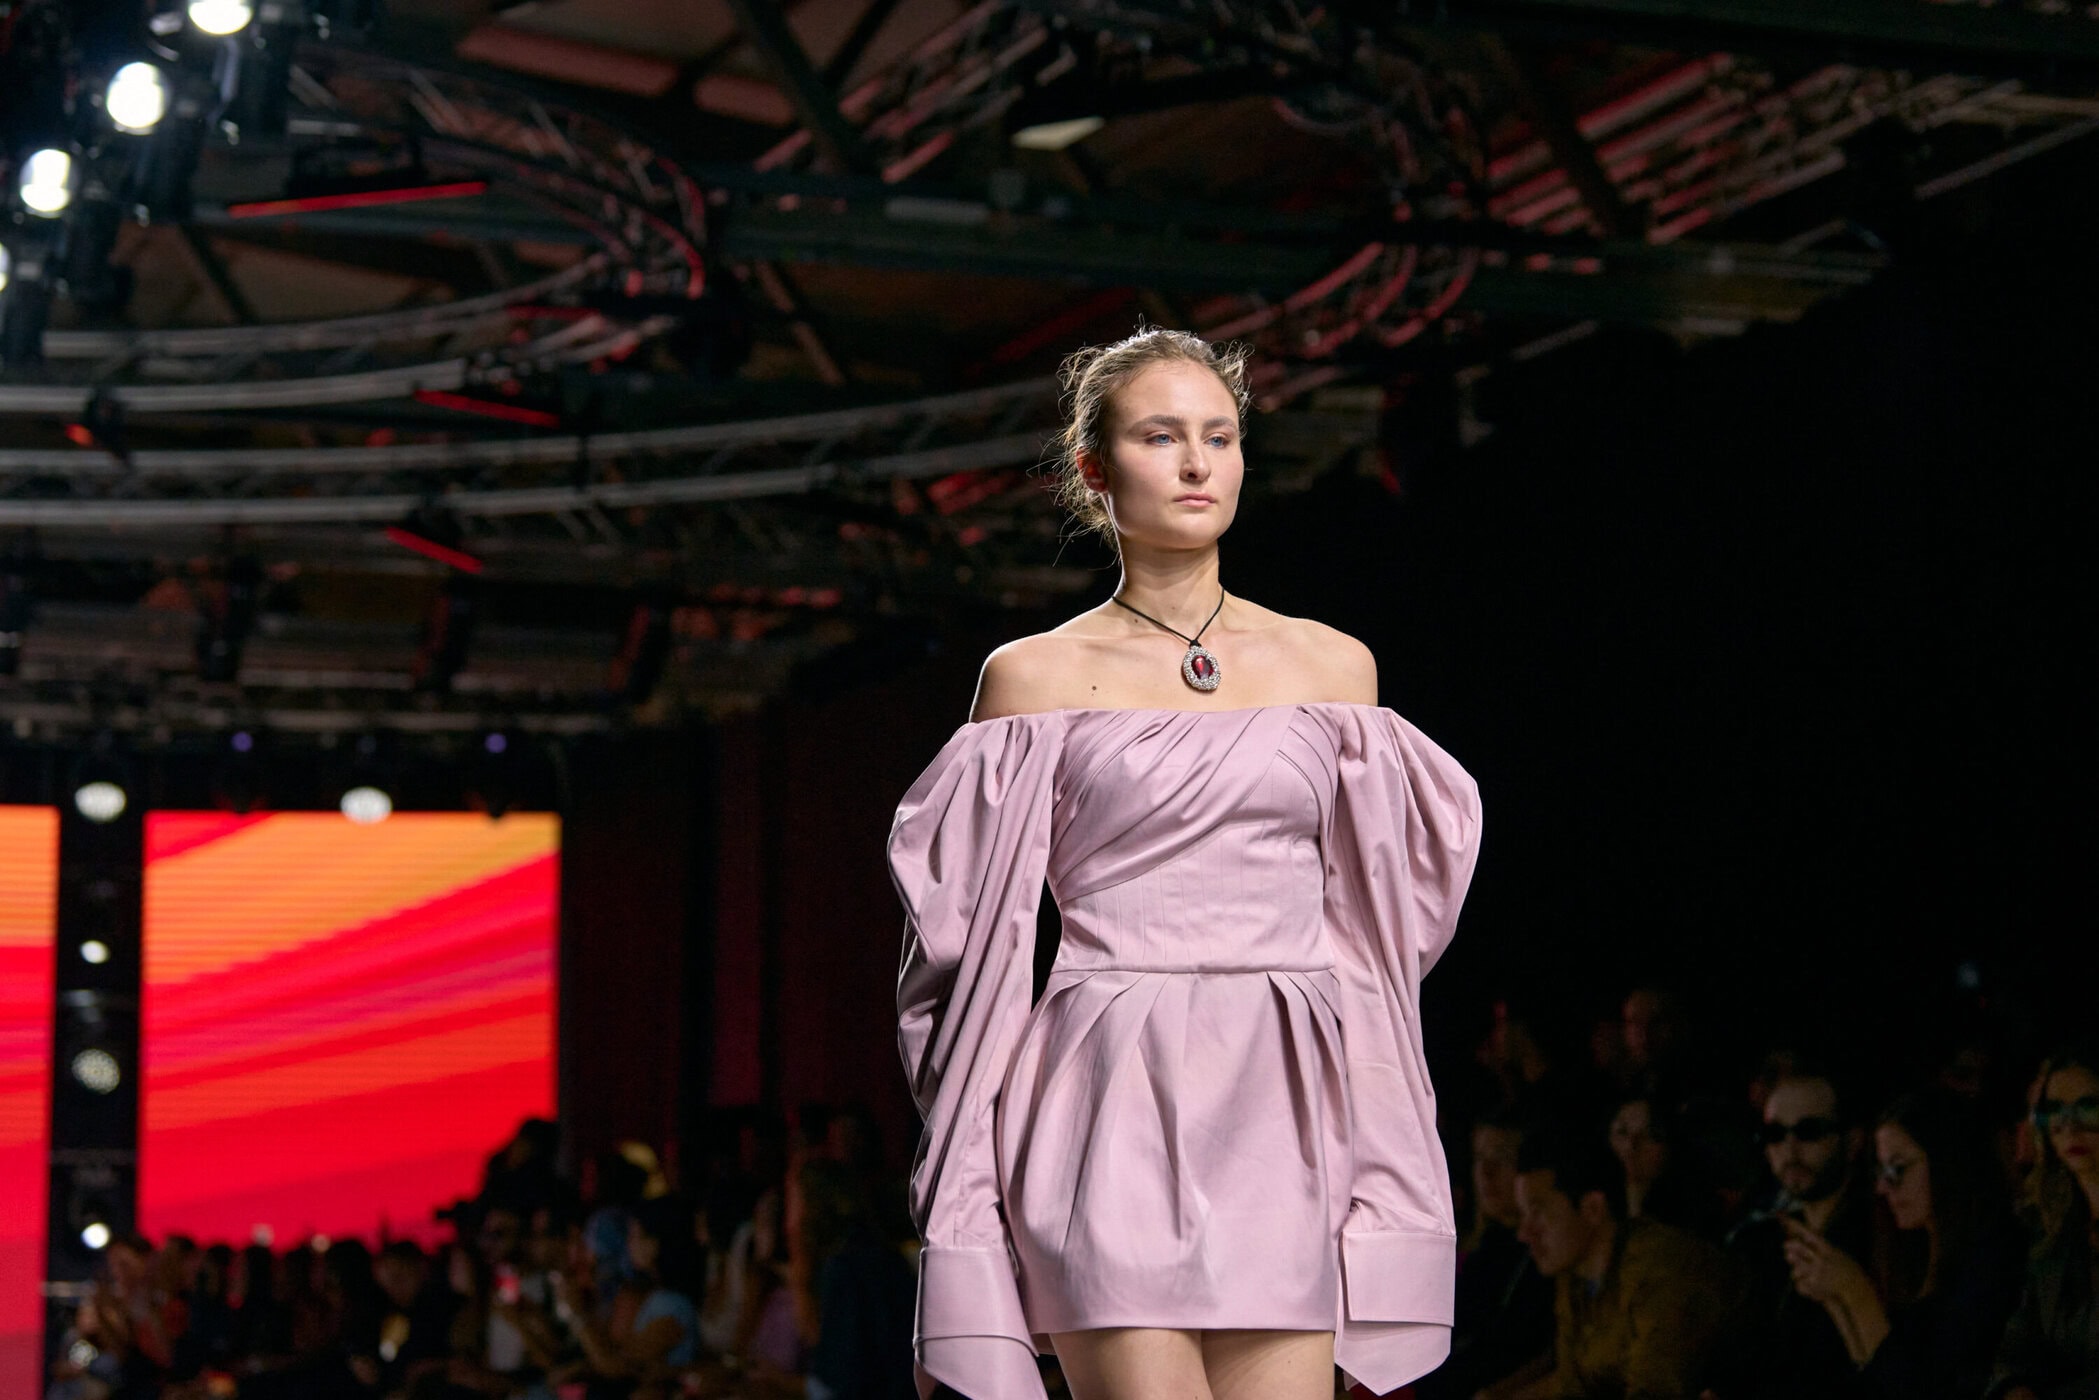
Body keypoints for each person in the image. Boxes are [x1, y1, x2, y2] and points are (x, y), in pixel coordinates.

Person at [888, 328, 1484, 1400]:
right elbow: (968, 954)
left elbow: (1379, 939)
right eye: (1160, 437)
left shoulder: (1332, 668)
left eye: (1219, 436)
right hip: (1105, 1089)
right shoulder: (1031, 679)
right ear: (1095, 469)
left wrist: (1381, 1132)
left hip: (1283, 1098)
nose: (1198, 463)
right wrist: (965, 1186)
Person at [1780, 1085, 2024, 1400]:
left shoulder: (1993, 1261)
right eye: (1880, 1171)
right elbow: (1872, 1372)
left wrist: (1856, 1294)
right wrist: (1836, 1298)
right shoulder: (1912, 1254)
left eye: (1898, 1169)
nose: (1883, 1188)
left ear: (1946, 1162)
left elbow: (1921, 1386)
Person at [1492, 1130, 1741, 1400]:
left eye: (1538, 1212)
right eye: (1523, 1214)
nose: (1524, 1233)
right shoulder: (1576, 1279)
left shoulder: (1661, 1269)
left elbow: (1654, 1391)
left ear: (1593, 1208)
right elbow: (1575, 1383)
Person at [1723, 1066, 1879, 1400]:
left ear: (1853, 1142)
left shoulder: (1882, 1238)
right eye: (1775, 1134)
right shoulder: (1757, 1243)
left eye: (1809, 1132)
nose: (1790, 1151)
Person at [1416, 1110, 1554, 1400]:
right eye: (1479, 1158)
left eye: (1502, 1157)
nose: (1486, 1172)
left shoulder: (1547, 1253)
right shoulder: (1488, 1248)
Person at [1988, 1041, 2099, 1399]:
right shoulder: (2053, 1228)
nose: (2069, 1127)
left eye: (2089, 1108)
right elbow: (2020, 1337)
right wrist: (2012, 1387)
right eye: (2054, 1111)